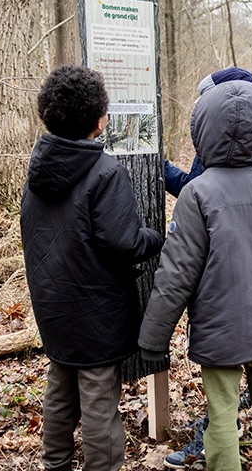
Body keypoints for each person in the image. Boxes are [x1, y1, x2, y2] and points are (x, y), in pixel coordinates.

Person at [138, 80, 252, 471]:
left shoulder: (197, 193)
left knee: (222, 412)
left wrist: (153, 340)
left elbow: (176, 273)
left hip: (218, 329)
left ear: (203, 130)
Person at [20, 65, 165, 471]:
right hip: (97, 311)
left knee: (60, 391)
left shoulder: (37, 172)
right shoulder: (104, 173)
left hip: (52, 306)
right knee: (100, 401)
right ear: (100, 121)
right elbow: (125, 242)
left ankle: (56, 464)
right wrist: (158, 236)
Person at [163, 67, 252, 197]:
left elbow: (198, 196)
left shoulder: (223, 149)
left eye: (207, 96)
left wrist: (162, 169)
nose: (197, 103)